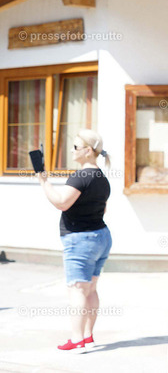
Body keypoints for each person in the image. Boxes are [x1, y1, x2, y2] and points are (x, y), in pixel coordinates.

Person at [37, 129, 112, 354]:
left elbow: (62, 202)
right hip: (101, 236)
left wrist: (43, 181)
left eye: (76, 147)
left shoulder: (81, 176)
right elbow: (103, 209)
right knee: (91, 289)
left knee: (78, 290)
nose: (72, 150)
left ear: (88, 151)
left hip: (80, 239)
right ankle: (88, 336)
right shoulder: (102, 177)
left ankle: (77, 339)